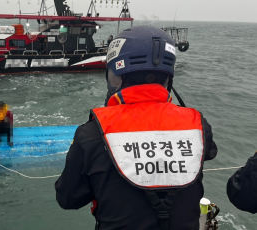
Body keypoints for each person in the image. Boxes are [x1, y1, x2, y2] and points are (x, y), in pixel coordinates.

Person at [55, 26, 218, 230]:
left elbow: (68, 198)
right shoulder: (198, 125)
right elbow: (209, 152)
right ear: (168, 77)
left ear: (115, 76)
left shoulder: (91, 134)